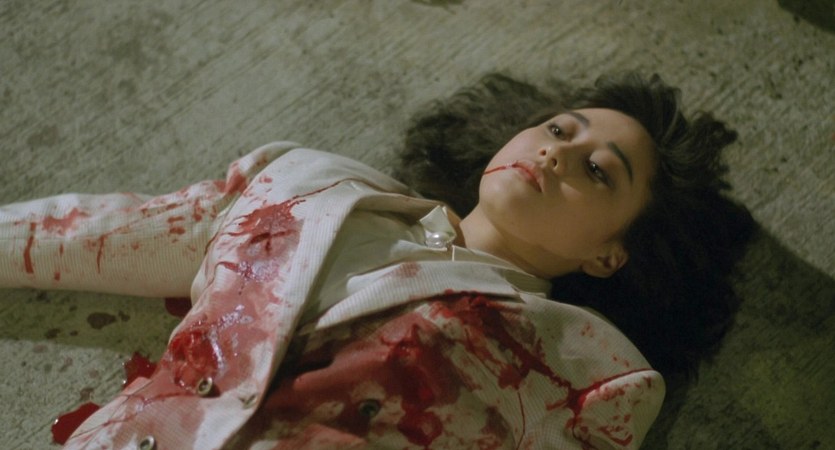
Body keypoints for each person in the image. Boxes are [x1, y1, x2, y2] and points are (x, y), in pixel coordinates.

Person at [0, 72, 754, 449]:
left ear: (608, 255)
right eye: (559, 129)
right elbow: (102, 233)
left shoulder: (588, 371)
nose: (559, 151)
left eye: (598, 170)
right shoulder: (309, 183)